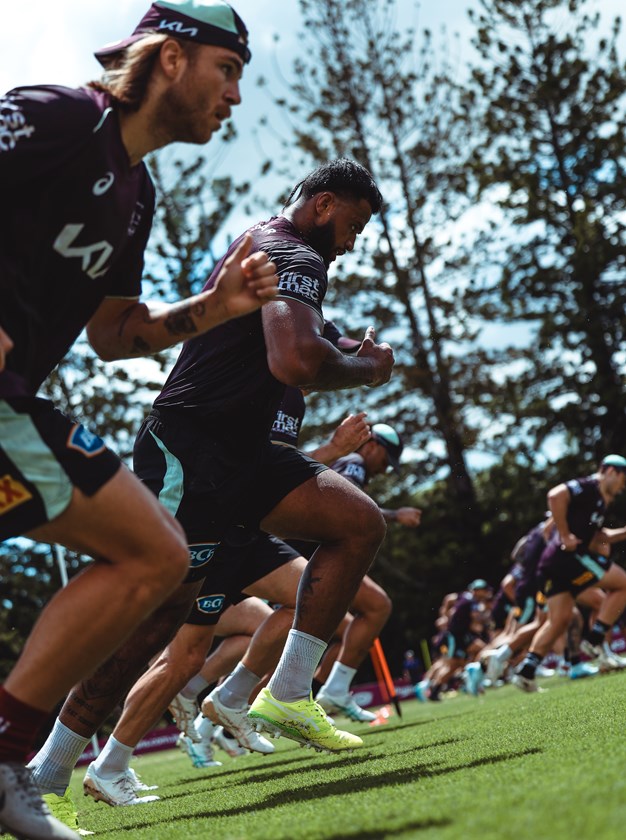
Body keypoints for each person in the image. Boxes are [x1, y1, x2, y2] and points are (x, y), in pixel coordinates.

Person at [28, 157, 393, 812]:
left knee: (359, 523)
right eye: (354, 224)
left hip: (252, 452)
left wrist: (345, 353)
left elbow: (302, 344)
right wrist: (365, 369)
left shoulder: (273, 248)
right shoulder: (294, 254)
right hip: (193, 447)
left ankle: (285, 692)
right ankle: (50, 766)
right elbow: (295, 359)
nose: (353, 239)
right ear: (324, 204)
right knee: (159, 618)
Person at [0, 3, 278, 838]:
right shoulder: (57, 117)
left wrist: (216, 306)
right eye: (227, 71)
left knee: (153, 552)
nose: (234, 96)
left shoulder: (134, 194)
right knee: (151, 548)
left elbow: (117, 333)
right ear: (171, 59)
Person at [314, 424, 422, 721]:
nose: (385, 470)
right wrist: (395, 515)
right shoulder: (356, 463)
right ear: (372, 445)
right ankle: (331, 691)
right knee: (376, 606)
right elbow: (345, 504)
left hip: (307, 551)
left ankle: (328, 692)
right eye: (386, 461)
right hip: (315, 554)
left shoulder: (345, 463)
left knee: (354, 621)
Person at [513, 455, 626, 692]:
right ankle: (595, 640)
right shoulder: (588, 487)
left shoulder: (600, 502)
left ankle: (527, 671)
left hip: (553, 565)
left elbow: (599, 536)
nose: (622, 487)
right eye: (623, 479)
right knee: (622, 583)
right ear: (611, 471)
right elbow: (554, 495)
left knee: (559, 620)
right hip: (568, 558)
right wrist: (564, 535)